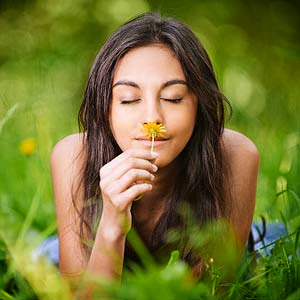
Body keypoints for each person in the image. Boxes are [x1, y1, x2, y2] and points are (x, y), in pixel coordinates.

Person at [50, 11, 260, 295]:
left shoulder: (237, 155)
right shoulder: (73, 155)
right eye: (129, 99)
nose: (152, 117)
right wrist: (111, 224)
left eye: (173, 98)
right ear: (104, 106)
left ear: (200, 103)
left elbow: (211, 290)